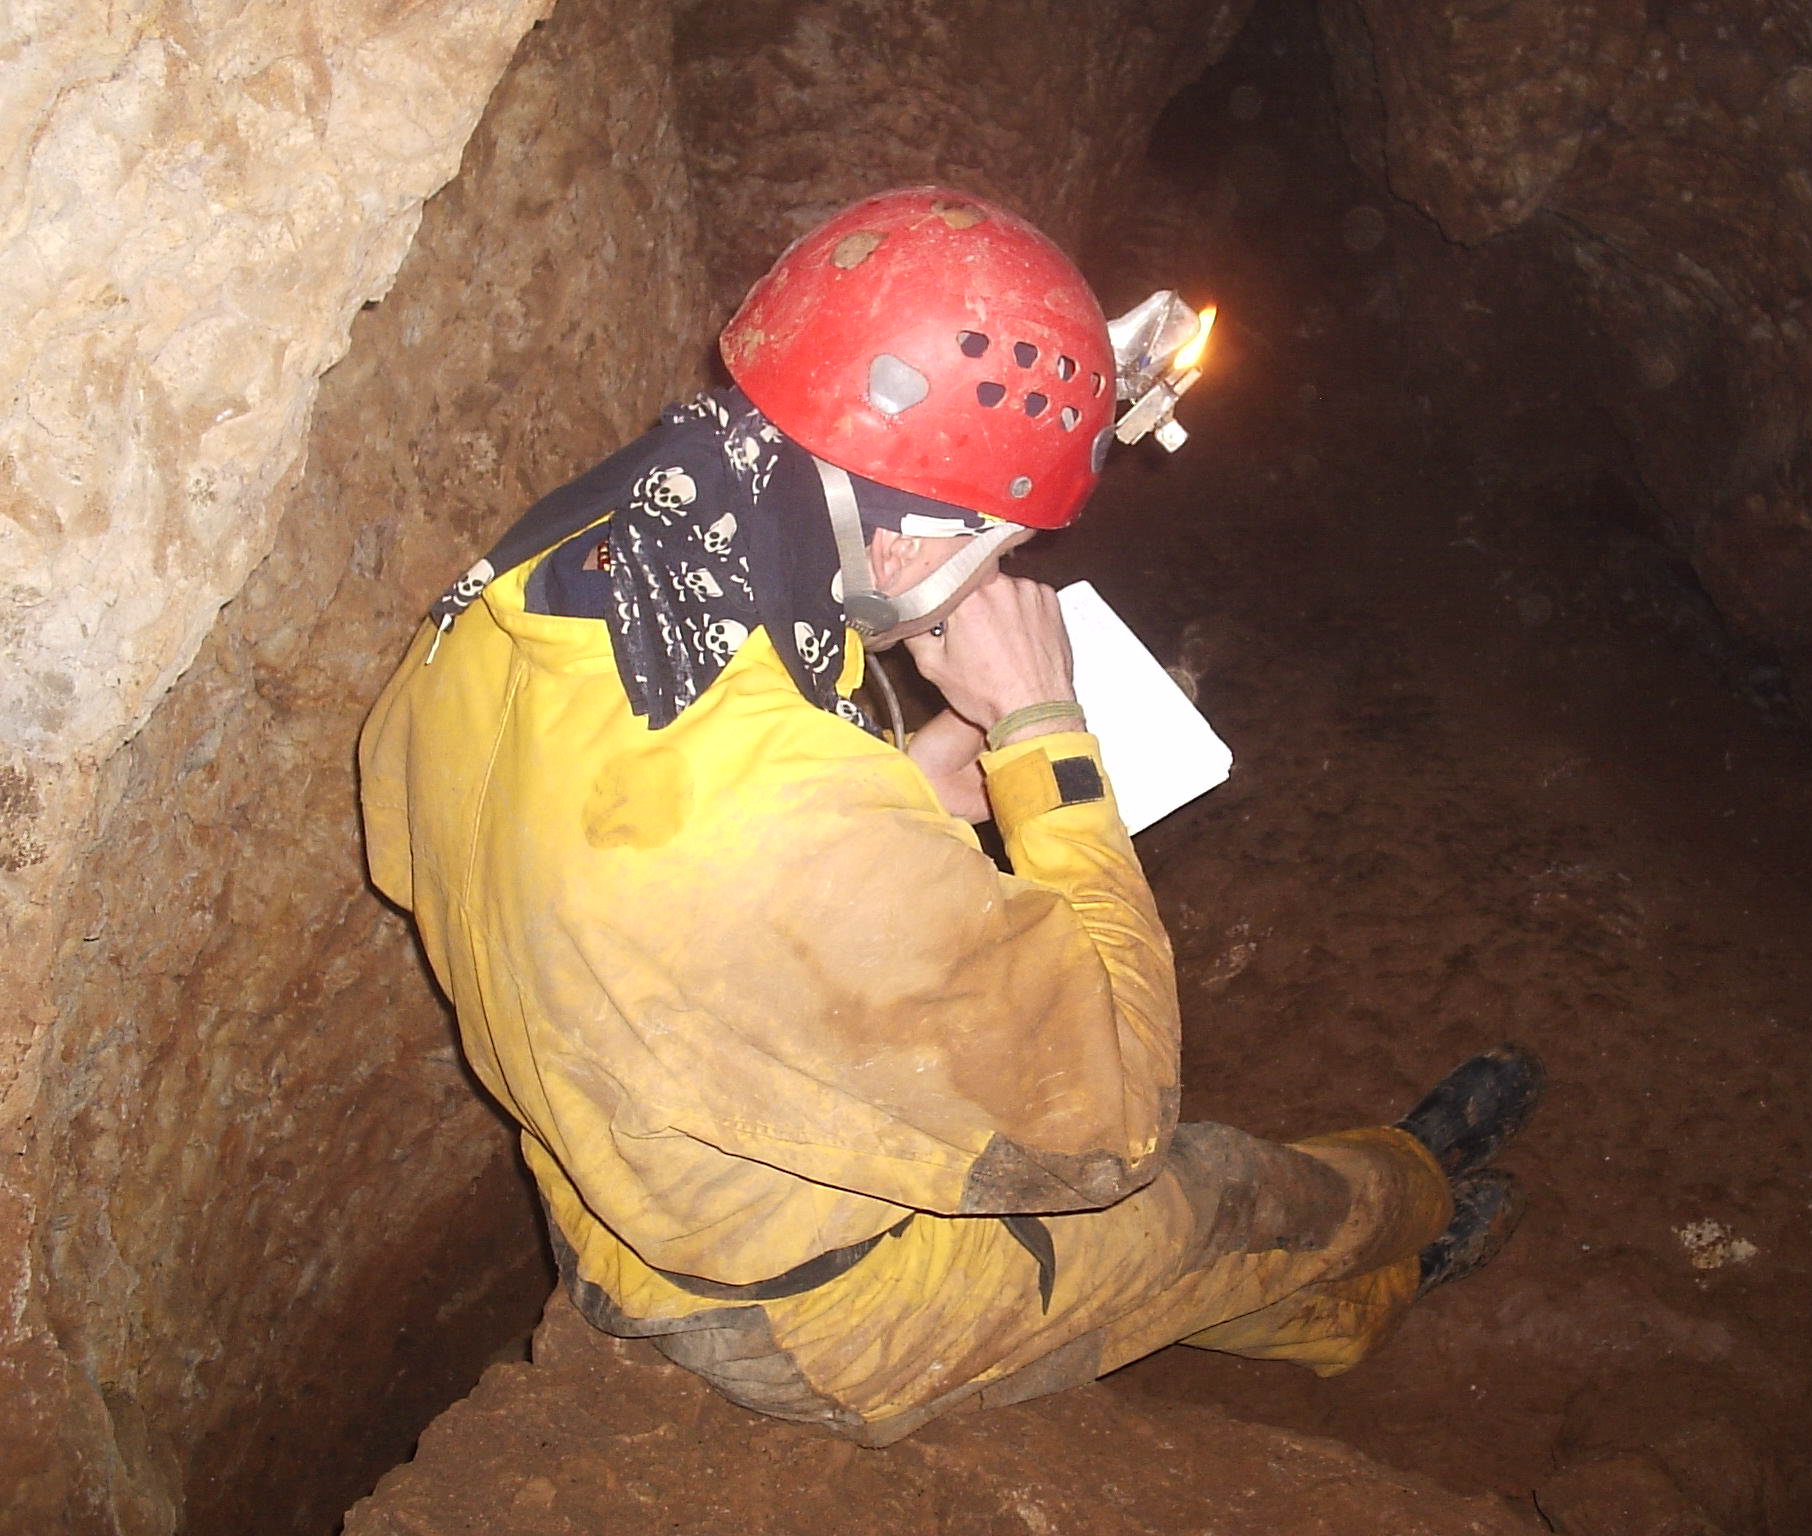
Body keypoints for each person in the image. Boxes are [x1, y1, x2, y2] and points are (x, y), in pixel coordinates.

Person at [359, 187, 1543, 1446]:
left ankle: (1361, 1270)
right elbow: (1113, 1125)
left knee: (1174, 1244)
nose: (1002, 575)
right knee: (1208, 1198)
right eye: (997, 550)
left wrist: (902, 792)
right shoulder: (787, 830)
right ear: (907, 539)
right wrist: (1041, 733)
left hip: (649, 1174)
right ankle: (1407, 1214)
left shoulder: (553, 582)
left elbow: (612, 864)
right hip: (816, 1301)